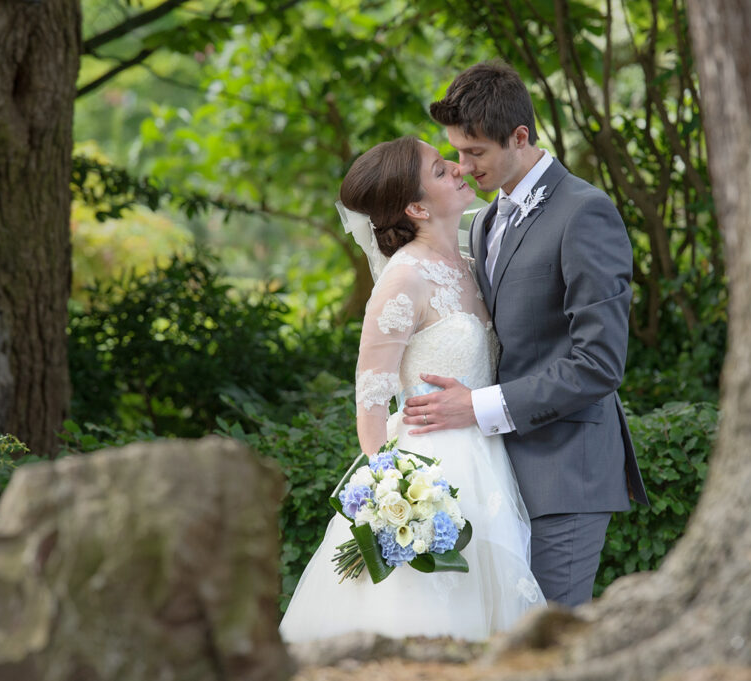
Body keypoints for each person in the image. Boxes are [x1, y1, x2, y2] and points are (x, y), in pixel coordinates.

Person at [278, 136, 545, 644]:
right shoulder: (403, 279)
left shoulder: (470, 263)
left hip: (488, 460)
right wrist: (397, 498)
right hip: (431, 477)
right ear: (418, 206)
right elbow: (370, 405)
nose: (457, 167)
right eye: (440, 170)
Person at [403, 61, 649, 607]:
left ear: (520, 137)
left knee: (547, 645)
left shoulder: (586, 212)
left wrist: (478, 407)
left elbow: (599, 363)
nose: (463, 169)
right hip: (498, 475)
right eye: (456, 153)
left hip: (567, 472)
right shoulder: (489, 221)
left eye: (476, 153)